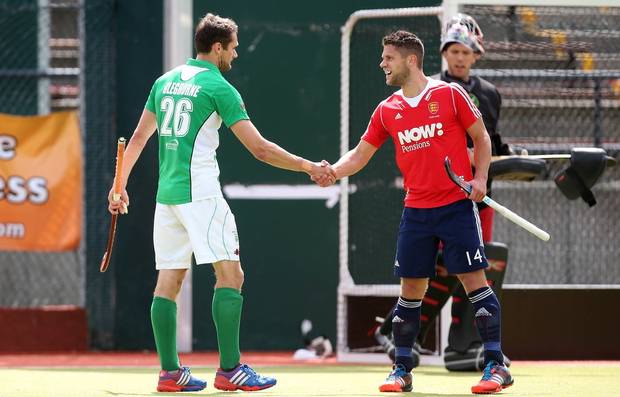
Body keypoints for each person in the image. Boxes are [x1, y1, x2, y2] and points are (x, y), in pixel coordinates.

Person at [108, 13, 334, 393]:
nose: (236, 53)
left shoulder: (164, 82)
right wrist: (308, 166)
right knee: (232, 276)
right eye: (233, 47)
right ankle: (230, 370)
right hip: (201, 194)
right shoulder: (219, 86)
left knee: (168, 281)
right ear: (217, 47)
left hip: (168, 198)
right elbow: (260, 150)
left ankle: (169, 373)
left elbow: (139, 137)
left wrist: (119, 186)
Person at [314, 30, 513, 394]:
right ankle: (402, 369)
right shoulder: (387, 109)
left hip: (456, 207)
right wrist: (333, 172)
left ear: (410, 60)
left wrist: (481, 177)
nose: (382, 64)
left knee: (474, 284)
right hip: (416, 210)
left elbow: (481, 138)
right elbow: (360, 154)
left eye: (388, 57)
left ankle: (496, 366)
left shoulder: (450, 94)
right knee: (411, 290)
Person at [374, 14, 514, 372]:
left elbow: (488, 140)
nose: (459, 57)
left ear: (476, 54)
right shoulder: (429, 90)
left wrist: (488, 170)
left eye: (465, 51)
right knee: (429, 271)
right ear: (442, 54)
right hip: (430, 198)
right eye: (453, 50)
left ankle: (469, 346)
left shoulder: (487, 94)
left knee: (474, 269)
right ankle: (402, 337)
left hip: (473, 197)